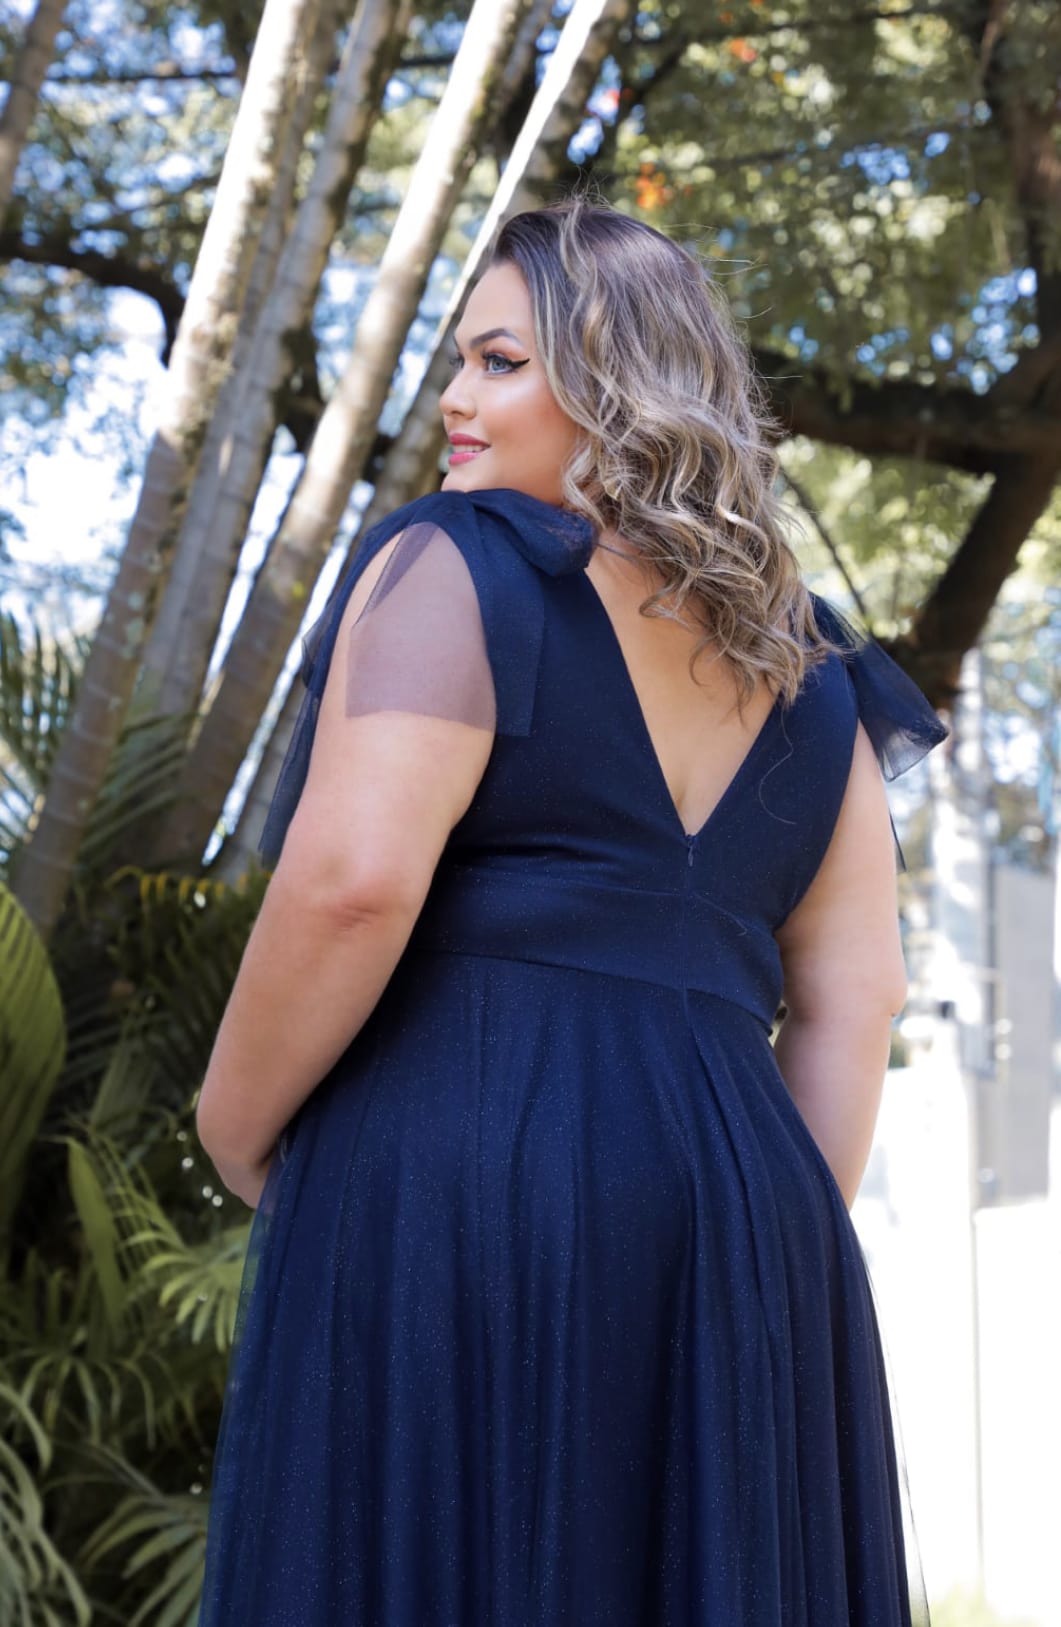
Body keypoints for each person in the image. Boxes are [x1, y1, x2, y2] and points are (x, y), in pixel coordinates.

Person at [195, 198, 947, 1625]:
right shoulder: (817, 675)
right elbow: (862, 998)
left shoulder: (452, 563)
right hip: (745, 1199)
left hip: (464, 1166)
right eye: (457, 362)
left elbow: (351, 887)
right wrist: (752, 1242)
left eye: (498, 362)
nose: (453, 399)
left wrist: (233, 1129)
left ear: (614, 382)